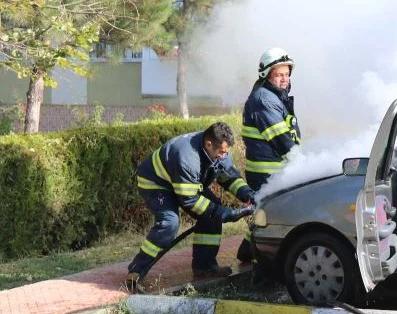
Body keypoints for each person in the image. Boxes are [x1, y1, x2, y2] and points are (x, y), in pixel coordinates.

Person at [125, 122, 256, 293]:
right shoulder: (187, 157)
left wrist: (248, 194)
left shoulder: (217, 150)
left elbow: (228, 177)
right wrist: (224, 213)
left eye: (226, 152)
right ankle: (136, 271)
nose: (224, 156)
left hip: (185, 183)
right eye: (221, 152)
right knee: (169, 224)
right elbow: (190, 200)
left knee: (212, 214)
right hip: (157, 183)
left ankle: (205, 266)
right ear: (209, 144)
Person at [236, 47, 302, 282]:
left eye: (287, 74)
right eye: (279, 75)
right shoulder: (264, 100)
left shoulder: (273, 96)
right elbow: (281, 140)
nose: (284, 79)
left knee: (260, 213)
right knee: (269, 217)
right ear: (266, 75)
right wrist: (301, 162)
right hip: (266, 171)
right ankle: (262, 273)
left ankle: (246, 249)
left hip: (271, 169)